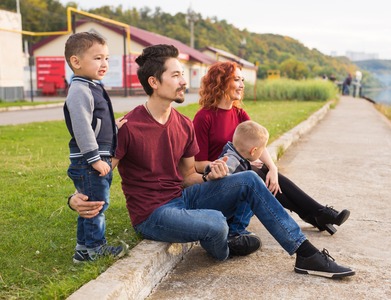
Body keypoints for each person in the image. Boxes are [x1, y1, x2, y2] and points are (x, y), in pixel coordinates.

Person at [70, 44, 355, 278]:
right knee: (216, 223)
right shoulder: (130, 126)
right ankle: (227, 245)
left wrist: (211, 177)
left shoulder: (183, 124)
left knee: (248, 178)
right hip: (153, 214)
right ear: (154, 82)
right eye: (176, 76)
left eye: (183, 74)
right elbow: (101, 172)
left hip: (183, 198)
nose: (184, 81)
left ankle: (306, 255)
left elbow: (186, 178)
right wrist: (75, 198)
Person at [193, 61, 350, 236]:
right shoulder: (204, 117)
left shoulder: (239, 114)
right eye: (237, 80)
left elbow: (259, 143)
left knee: (266, 172)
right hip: (221, 179)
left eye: (242, 80)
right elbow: (198, 164)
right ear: (220, 81)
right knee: (257, 174)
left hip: (243, 171)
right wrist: (221, 166)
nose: (242, 85)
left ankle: (317, 214)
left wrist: (273, 169)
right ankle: (317, 214)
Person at [63, 32, 128, 263]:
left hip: (93, 160)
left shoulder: (92, 86)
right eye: (98, 58)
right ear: (76, 62)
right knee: (96, 205)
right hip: (89, 161)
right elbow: (82, 127)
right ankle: (95, 249)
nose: (104, 63)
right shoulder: (80, 90)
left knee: (90, 202)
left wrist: (115, 126)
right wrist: (94, 159)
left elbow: (96, 122)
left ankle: (83, 249)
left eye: (107, 58)